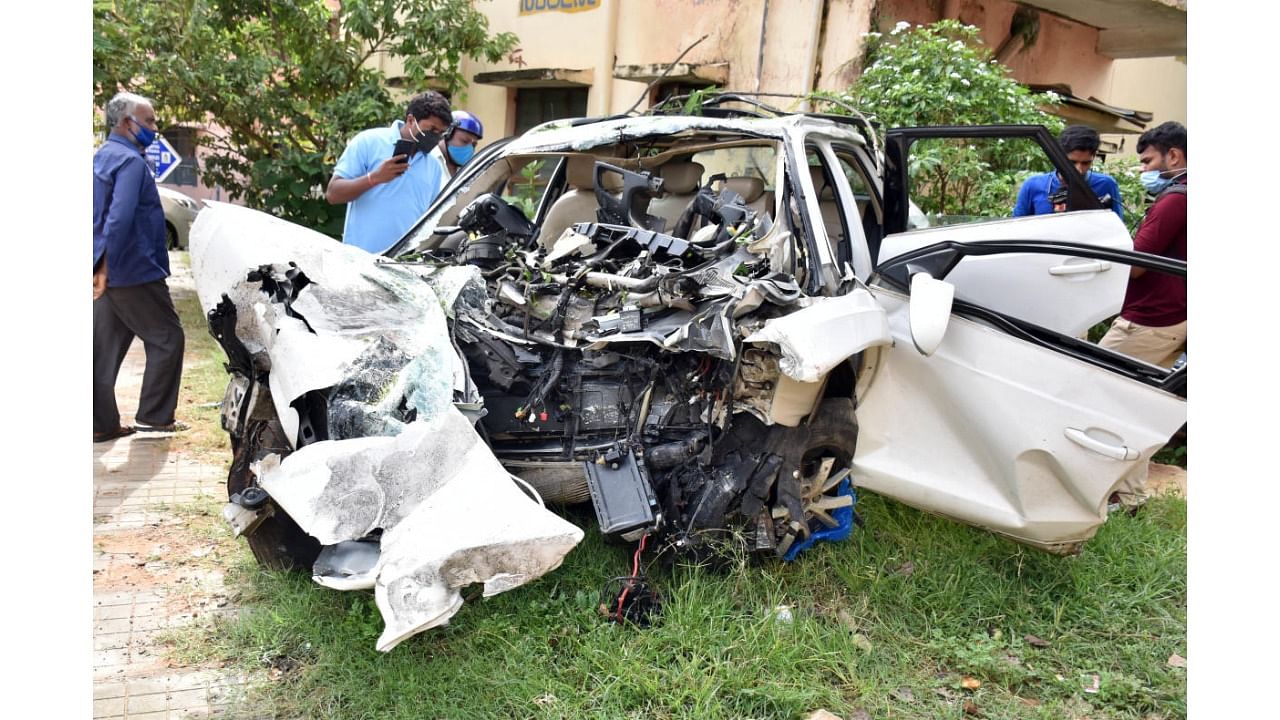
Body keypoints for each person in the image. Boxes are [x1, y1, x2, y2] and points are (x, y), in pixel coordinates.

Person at [93, 91, 186, 443]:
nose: (154, 127)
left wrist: (97, 264)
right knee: (167, 338)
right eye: (149, 121)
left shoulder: (103, 156)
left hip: (109, 268)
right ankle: (155, 418)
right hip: (132, 268)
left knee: (102, 349)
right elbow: (119, 217)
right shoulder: (131, 162)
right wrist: (105, 265)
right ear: (126, 123)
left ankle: (100, 424)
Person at [1098, 121, 1187, 368]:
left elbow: (1136, 266)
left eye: (1148, 161)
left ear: (1173, 156)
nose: (1142, 169)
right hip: (1177, 314)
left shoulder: (1175, 200)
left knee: (1091, 377)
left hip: (1151, 318)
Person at [325, 91, 453, 253]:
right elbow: (333, 194)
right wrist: (374, 178)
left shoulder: (433, 165)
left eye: (441, 133)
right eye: (432, 129)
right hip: (361, 259)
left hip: (405, 264)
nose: (435, 137)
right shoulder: (368, 142)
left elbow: (432, 219)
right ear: (411, 120)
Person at [1013, 124, 1124, 223]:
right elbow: (1017, 227)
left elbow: (1116, 228)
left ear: (1094, 156)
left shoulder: (1106, 184)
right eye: (1072, 162)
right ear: (1059, 156)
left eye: (1086, 163)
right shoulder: (1033, 185)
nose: (1079, 170)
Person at [430, 110, 484, 185]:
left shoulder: (468, 171)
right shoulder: (428, 160)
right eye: (464, 141)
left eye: (474, 145)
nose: (469, 148)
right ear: (447, 134)